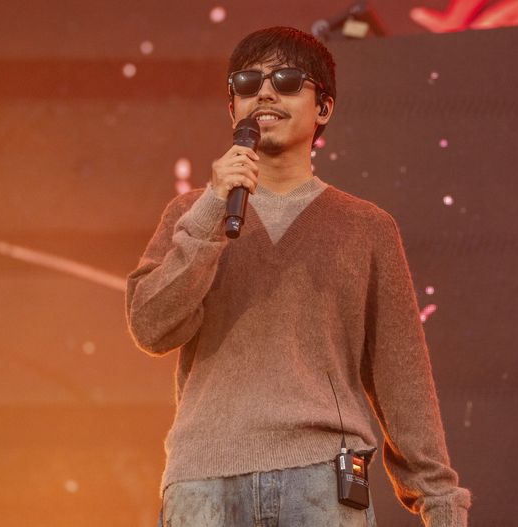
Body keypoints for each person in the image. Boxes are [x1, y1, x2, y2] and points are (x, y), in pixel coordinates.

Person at [126, 26, 471, 527]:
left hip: (323, 482)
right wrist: (209, 212)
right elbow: (151, 327)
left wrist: (441, 505)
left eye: (287, 80)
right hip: (205, 482)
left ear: (324, 108)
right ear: (233, 110)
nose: (264, 92)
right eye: (246, 83)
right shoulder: (192, 212)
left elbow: (404, 380)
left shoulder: (366, 227)